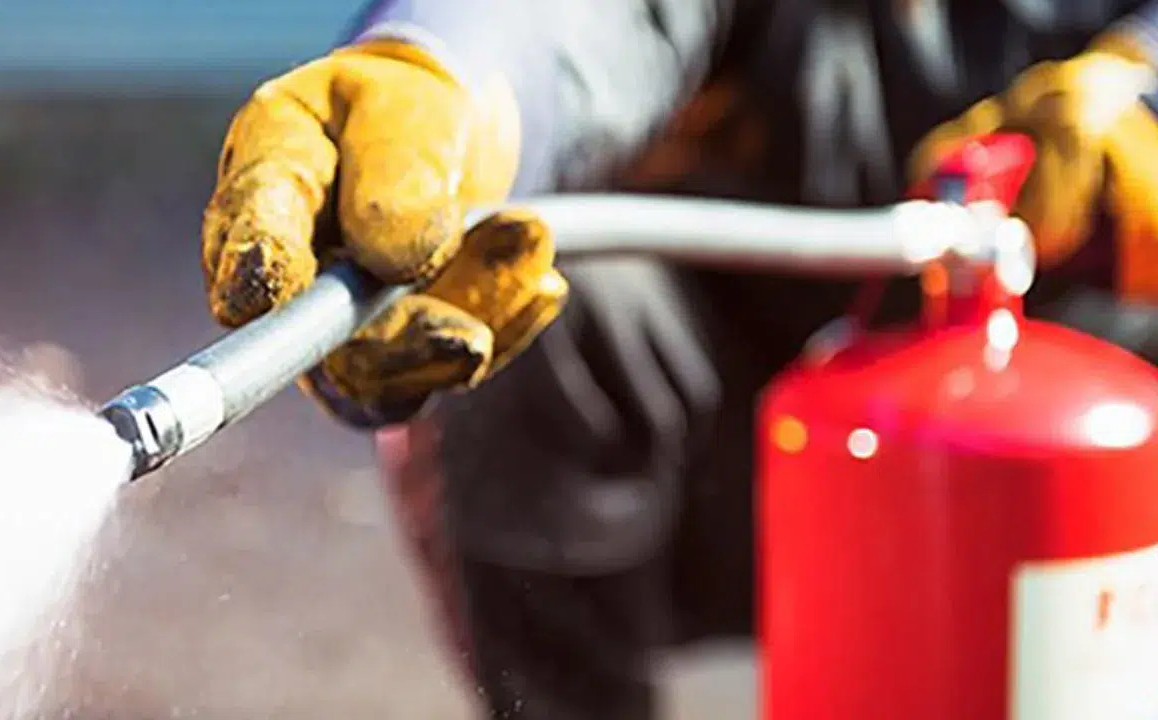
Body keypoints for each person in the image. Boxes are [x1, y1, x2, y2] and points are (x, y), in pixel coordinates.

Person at [199, 1, 1158, 717]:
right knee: (523, 312)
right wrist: (442, 75)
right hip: (749, 428)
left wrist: (1146, 89)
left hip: (1107, 440)